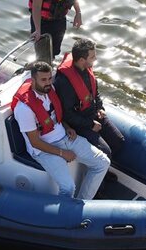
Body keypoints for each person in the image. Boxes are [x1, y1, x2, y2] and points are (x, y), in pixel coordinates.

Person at [12, 61, 110, 200]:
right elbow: (35, 142)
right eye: (43, 80)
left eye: (49, 78)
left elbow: (54, 115)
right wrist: (62, 153)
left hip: (65, 137)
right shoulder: (24, 109)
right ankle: (64, 214)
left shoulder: (49, 90)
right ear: (33, 80)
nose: (48, 82)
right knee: (68, 187)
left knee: (102, 163)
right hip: (43, 150)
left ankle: (82, 203)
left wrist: (67, 127)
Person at [54, 37, 124, 157]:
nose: (95, 59)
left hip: (93, 114)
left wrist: (100, 108)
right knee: (104, 152)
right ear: (82, 60)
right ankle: (103, 172)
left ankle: (110, 164)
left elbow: (95, 94)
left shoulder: (87, 69)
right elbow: (68, 115)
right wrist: (90, 124)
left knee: (118, 140)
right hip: (80, 123)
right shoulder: (64, 82)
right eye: (92, 57)